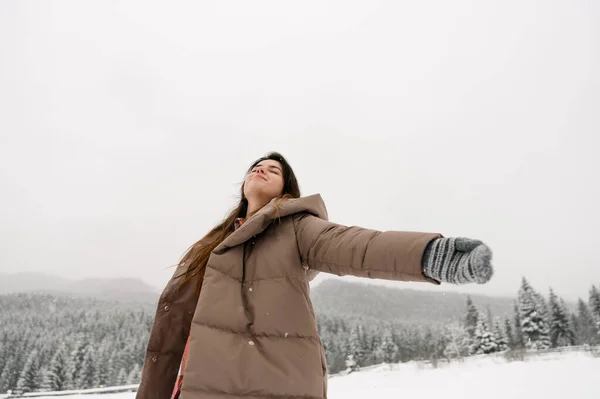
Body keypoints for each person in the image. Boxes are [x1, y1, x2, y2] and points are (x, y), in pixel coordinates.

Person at [136, 152, 493, 399]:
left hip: (268, 386)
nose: (261, 169)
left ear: (286, 189)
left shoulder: (297, 227)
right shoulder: (212, 244)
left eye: (272, 170)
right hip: (194, 385)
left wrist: (431, 254)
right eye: (256, 166)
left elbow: (359, 246)